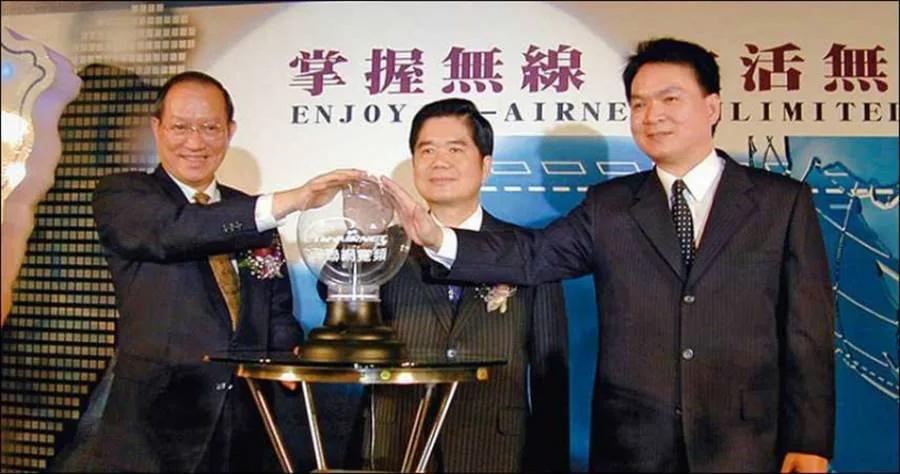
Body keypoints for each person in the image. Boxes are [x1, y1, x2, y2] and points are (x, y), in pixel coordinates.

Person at [381, 38, 835, 472]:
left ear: (712, 106)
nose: (652, 116)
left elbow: (807, 333)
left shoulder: (781, 203)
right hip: (632, 446)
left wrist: (811, 439)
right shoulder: (609, 207)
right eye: (639, 104)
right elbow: (533, 255)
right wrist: (439, 238)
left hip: (744, 443)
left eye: (670, 99)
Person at [90, 70, 365, 472]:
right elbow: (175, 231)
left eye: (210, 127)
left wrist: (285, 353)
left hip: (247, 422)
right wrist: (292, 200)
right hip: (154, 428)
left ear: (230, 131)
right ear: (157, 128)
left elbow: (276, 307)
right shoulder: (123, 195)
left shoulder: (250, 210)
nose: (195, 142)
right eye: (180, 127)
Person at [350, 98, 569, 473]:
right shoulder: (384, 247)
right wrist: (358, 232)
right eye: (427, 150)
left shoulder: (528, 251)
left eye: (455, 149)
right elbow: (343, 317)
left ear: (486, 166)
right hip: (396, 446)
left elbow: (550, 371)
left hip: (495, 450)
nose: (440, 162)